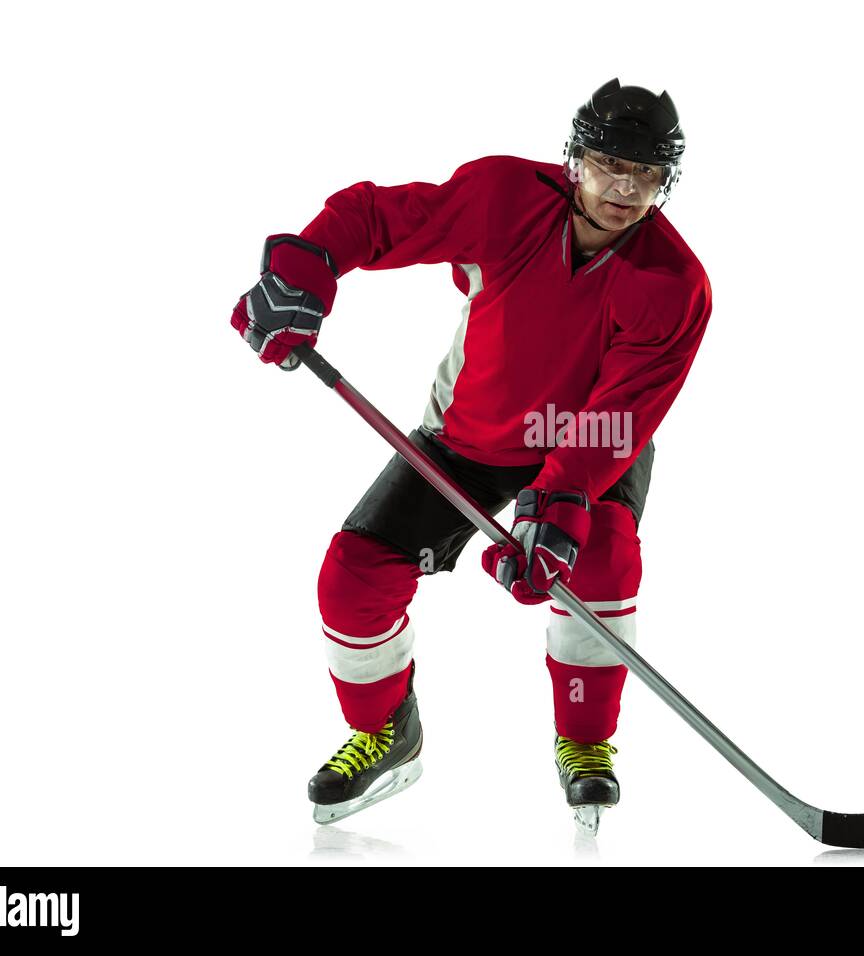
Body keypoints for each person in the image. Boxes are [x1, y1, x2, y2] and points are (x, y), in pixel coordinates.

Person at [230, 77, 712, 832]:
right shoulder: (502, 198)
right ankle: (388, 731)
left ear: (665, 181)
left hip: (589, 439)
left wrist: (557, 506)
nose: (624, 188)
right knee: (353, 578)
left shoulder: (675, 285)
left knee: (601, 559)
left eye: (646, 173)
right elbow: (377, 217)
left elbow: (622, 409)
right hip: (472, 434)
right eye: (607, 163)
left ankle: (586, 744)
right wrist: (310, 262)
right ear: (573, 159)